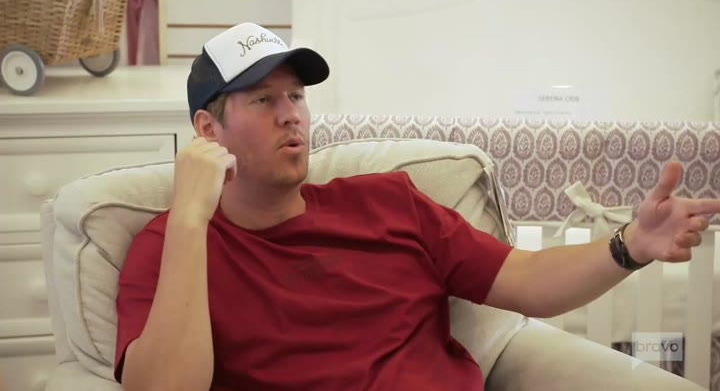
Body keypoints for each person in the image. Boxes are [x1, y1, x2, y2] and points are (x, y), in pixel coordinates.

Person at [113, 22, 720, 391]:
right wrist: (190, 217)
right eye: (263, 99)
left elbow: (529, 281)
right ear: (208, 130)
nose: (291, 113)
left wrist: (631, 245)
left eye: (296, 95)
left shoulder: (389, 202)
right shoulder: (169, 247)